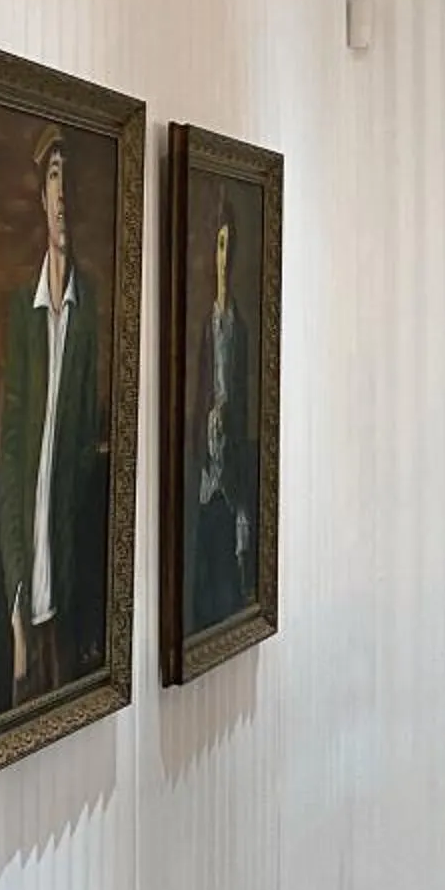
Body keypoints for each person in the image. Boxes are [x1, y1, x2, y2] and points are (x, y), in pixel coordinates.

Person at [0, 123, 107, 700]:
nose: (62, 197)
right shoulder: (24, 311)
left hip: (68, 582)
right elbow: (12, 454)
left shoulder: (91, 312)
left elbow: (86, 448)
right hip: (27, 585)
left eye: (69, 182)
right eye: (54, 180)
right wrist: (16, 594)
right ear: (42, 197)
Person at [190, 204, 255, 630]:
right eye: (219, 246)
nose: (224, 257)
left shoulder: (240, 328)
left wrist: (228, 418)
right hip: (206, 469)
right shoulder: (204, 326)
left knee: (230, 567)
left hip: (229, 467)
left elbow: (244, 402)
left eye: (230, 247)